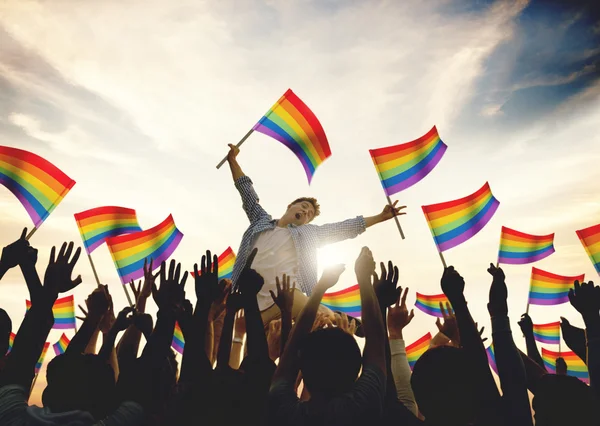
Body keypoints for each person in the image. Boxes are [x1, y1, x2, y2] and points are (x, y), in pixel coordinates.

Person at [226, 144, 406, 325]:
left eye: (309, 214)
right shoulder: (260, 221)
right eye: (304, 207)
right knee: (256, 350)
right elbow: (247, 192)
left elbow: (343, 228)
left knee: (318, 321)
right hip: (255, 303)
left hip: (289, 294)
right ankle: (325, 312)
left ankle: (334, 317)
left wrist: (380, 217)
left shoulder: (308, 233)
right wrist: (232, 161)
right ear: (290, 206)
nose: (305, 213)